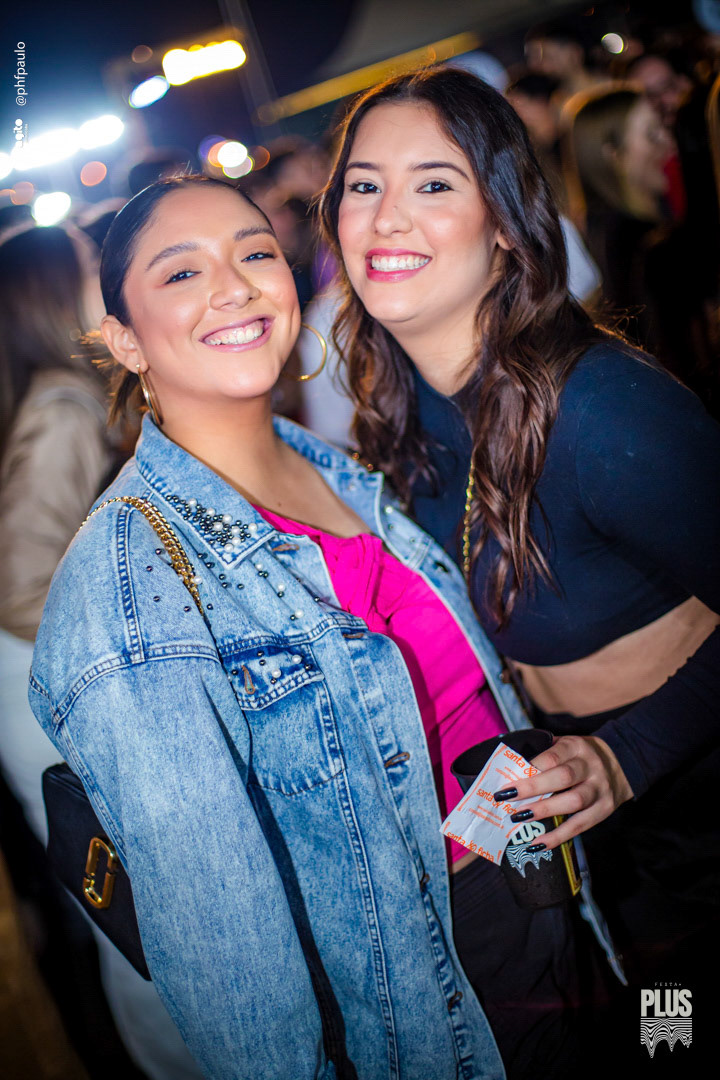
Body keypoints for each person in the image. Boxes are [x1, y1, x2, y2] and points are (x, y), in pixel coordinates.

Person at [28, 172, 560, 1080]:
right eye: (181, 273)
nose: (234, 287)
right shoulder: (131, 590)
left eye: (256, 253)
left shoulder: (342, 470)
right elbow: (241, 989)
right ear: (124, 339)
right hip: (427, 1001)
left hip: (533, 890)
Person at [318, 66, 720, 997]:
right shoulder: (405, 408)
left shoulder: (605, 408)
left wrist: (625, 757)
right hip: (590, 807)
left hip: (695, 787)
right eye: (364, 185)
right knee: (662, 1029)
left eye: (433, 183)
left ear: (504, 221)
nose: (386, 217)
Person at [0, 221, 204, 1080]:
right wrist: (133, 640)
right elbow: (20, 587)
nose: (106, 272)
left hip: (51, 681)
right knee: (136, 913)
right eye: (91, 263)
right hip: (45, 690)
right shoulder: (60, 408)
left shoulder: (69, 394)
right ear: (52, 294)